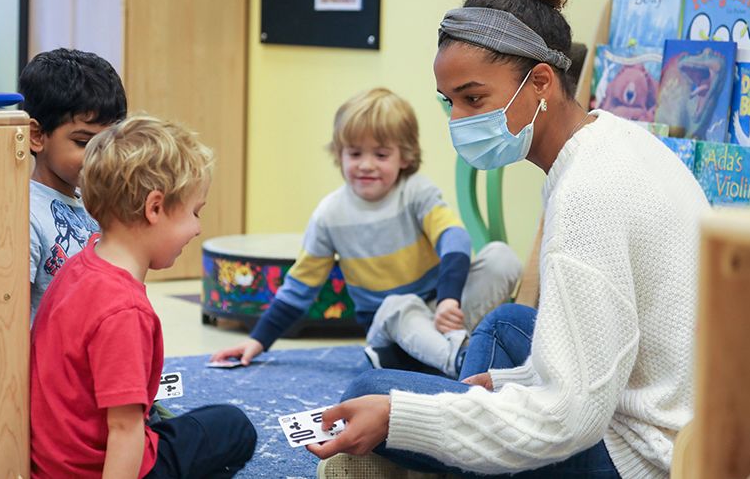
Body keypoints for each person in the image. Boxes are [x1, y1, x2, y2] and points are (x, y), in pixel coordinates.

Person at [308, 0, 710, 478]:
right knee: (502, 327)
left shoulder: (587, 194)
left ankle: (458, 457)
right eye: (449, 101)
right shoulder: (615, 137)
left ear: (541, 81)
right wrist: (500, 388)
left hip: (646, 456)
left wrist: (407, 418)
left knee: (371, 393)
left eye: (474, 98)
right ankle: (466, 449)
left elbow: (570, 419)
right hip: (677, 410)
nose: (457, 120)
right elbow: (614, 348)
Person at [212, 87, 520, 378]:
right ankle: (460, 362)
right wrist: (258, 340)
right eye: (355, 153)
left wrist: (448, 300)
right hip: (389, 324)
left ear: (406, 157)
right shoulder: (329, 215)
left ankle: (427, 359)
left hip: (441, 312)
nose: (366, 165)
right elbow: (299, 289)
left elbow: (455, 239)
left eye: (381, 155)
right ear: (339, 154)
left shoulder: (416, 192)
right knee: (398, 305)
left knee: (501, 257)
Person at [30, 116, 257, 478]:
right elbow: (124, 432)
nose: (197, 228)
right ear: (154, 207)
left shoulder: (79, 266)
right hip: (95, 469)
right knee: (233, 427)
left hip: (55, 462)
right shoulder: (124, 309)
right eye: (194, 212)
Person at [20, 48, 127, 323]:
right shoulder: (25, 217)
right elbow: (8, 323)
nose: (100, 155)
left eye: (109, 142)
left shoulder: (96, 201)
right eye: (83, 142)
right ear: (36, 136)